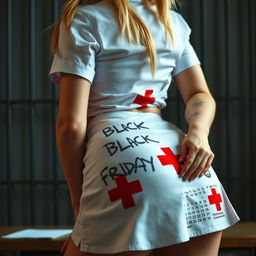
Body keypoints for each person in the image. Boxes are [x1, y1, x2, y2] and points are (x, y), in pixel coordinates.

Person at [49, 0, 240, 255]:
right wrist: (198, 133)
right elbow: (199, 94)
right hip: (192, 171)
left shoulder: (83, 20)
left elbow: (71, 125)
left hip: (122, 162)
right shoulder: (172, 23)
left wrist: (78, 204)